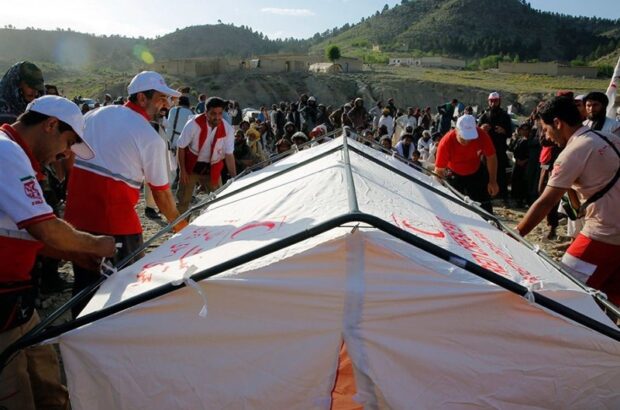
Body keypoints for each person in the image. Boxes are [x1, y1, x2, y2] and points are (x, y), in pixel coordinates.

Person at [0, 96, 115, 410]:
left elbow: (20, 230)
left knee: (46, 378)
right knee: (15, 393)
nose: (65, 154)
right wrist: (97, 244)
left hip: (17, 299)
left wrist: (73, 254)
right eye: (68, 142)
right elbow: (46, 228)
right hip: (3, 303)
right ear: (50, 125)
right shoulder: (7, 152)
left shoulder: (17, 156)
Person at [64, 71, 187, 317]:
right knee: (124, 290)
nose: (166, 104)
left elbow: (68, 155)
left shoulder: (95, 114)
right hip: (116, 225)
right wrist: (182, 229)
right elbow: (162, 195)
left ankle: (78, 337)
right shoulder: (149, 137)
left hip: (76, 218)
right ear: (142, 98)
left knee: (84, 285)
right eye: (162, 98)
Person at [517, 96, 620, 304]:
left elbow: (546, 202)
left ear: (557, 123)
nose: (547, 136)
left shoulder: (573, 152)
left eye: (546, 129)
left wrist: (514, 234)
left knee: (563, 294)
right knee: (609, 304)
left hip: (602, 236)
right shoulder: (610, 138)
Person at [176, 96, 237, 215]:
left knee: (219, 199)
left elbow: (229, 155)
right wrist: (182, 171)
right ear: (206, 113)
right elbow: (181, 146)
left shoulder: (228, 129)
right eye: (213, 113)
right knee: (184, 200)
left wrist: (234, 177)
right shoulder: (193, 124)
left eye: (220, 113)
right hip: (192, 166)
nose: (217, 117)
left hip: (212, 166)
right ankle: (180, 228)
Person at [434, 114, 499, 213]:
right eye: (463, 138)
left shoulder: (481, 135)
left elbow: (491, 157)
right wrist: (439, 192)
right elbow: (439, 171)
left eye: (470, 138)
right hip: (454, 174)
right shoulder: (446, 143)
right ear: (456, 131)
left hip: (476, 172)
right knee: (454, 207)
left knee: (484, 207)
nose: (467, 141)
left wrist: (493, 181)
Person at [478, 92, 513, 203]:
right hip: (486, 150)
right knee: (484, 171)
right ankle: (485, 194)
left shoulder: (505, 116)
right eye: (491, 101)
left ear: (499, 101)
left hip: (499, 149)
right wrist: (482, 129)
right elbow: (476, 132)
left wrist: (504, 131)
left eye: (495, 100)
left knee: (500, 172)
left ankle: (502, 197)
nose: (493, 103)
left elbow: (510, 133)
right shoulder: (484, 115)